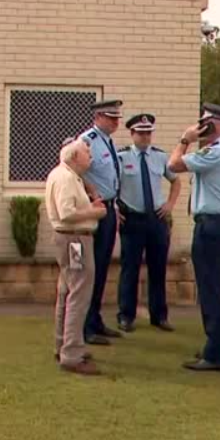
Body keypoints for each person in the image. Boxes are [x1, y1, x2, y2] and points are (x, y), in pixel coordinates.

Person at [167, 104, 220, 372]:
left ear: (212, 125)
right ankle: (219, 347)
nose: (199, 129)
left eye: (203, 124)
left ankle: (215, 355)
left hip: (212, 225)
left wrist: (185, 139)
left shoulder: (218, 152)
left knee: (212, 291)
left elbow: (173, 165)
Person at [45, 139, 108, 376]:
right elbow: (67, 212)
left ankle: (63, 344)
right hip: (74, 240)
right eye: (86, 152)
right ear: (74, 157)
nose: (90, 156)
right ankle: (71, 353)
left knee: (67, 291)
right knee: (79, 293)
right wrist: (95, 212)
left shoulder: (65, 175)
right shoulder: (67, 178)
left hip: (69, 239)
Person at [115, 113, 181, 333]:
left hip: (156, 219)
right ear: (132, 134)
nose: (145, 137)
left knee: (158, 269)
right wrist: (115, 208)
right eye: (141, 133)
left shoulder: (160, 157)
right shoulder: (121, 157)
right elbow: (110, 184)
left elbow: (176, 181)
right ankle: (126, 315)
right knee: (129, 269)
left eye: (148, 133)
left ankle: (159, 315)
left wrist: (170, 204)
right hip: (132, 218)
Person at [79, 99, 125, 346]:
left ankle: (95, 319)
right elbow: (79, 170)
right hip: (96, 209)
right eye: (111, 117)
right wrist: (93, 193)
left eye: (117, 117)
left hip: (109, 208)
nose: (116, 122)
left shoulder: (107, 141)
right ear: (97, 117)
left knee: (102, 267)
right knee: (91, 269)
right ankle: (86, 326)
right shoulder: (87, 140)